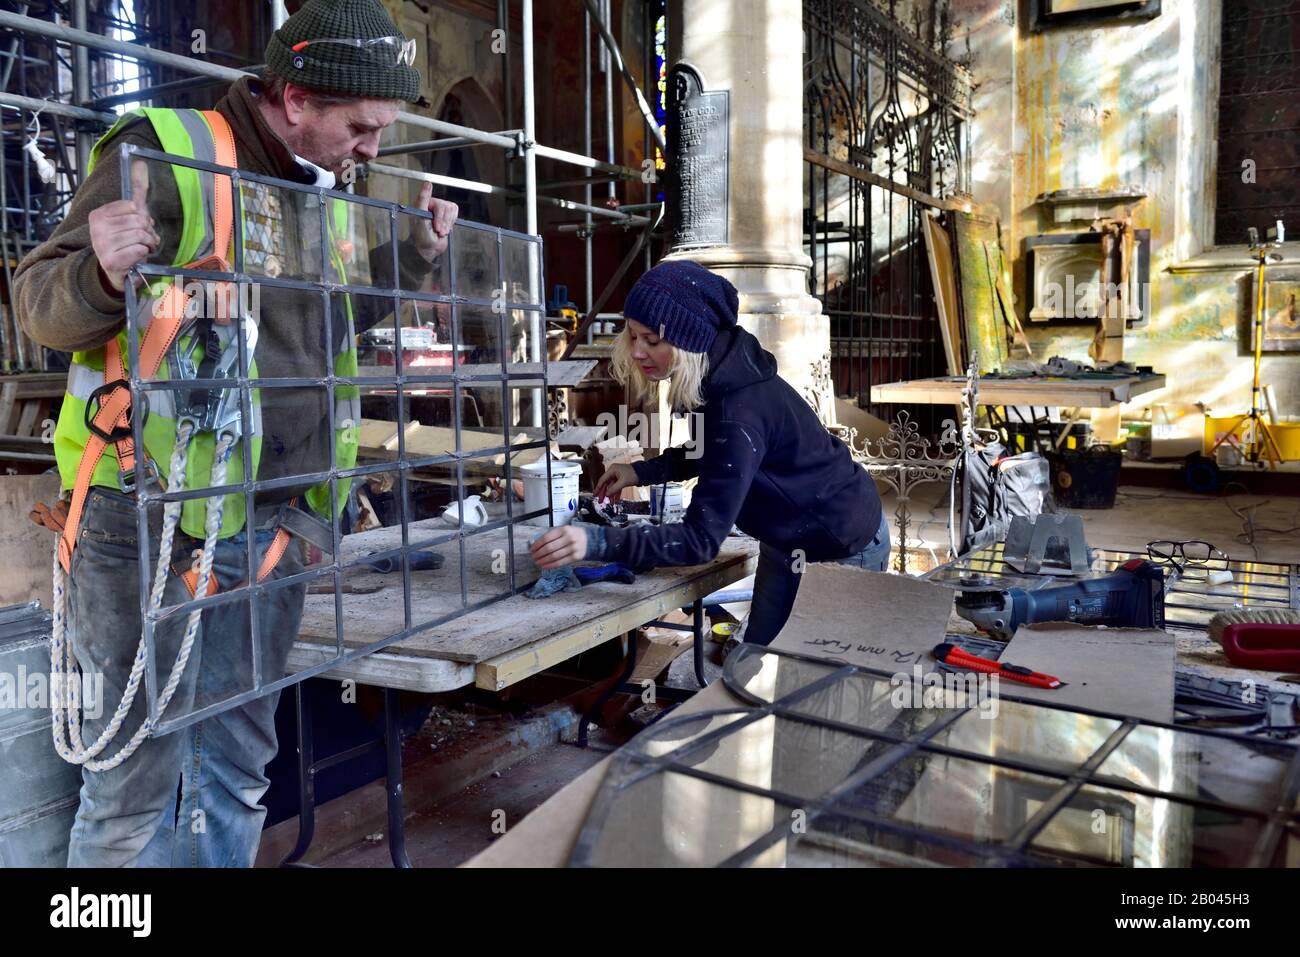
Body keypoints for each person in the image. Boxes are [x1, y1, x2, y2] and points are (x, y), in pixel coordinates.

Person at [14, 0, 458, 867]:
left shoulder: (315, 189)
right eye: (361, 126)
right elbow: (39, 305)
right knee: (133, 778)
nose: (372, 148)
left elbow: (318, 331)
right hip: (144, 518)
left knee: (238, 762)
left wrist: (415, 263)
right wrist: (99, 271)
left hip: (265, 527)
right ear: (295, 98)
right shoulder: (167, 153)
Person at [530, 260, 889, 646]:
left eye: (652, 340)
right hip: (788, 539)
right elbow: (710, 451)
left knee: (814, 681)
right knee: (755, 661)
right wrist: (642, 472)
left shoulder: (738, 409)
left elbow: (700, 541)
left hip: (841, 543)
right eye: (633, 336)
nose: (637, 352)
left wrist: (595, 542)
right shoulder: (719, 374)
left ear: (690, 341)